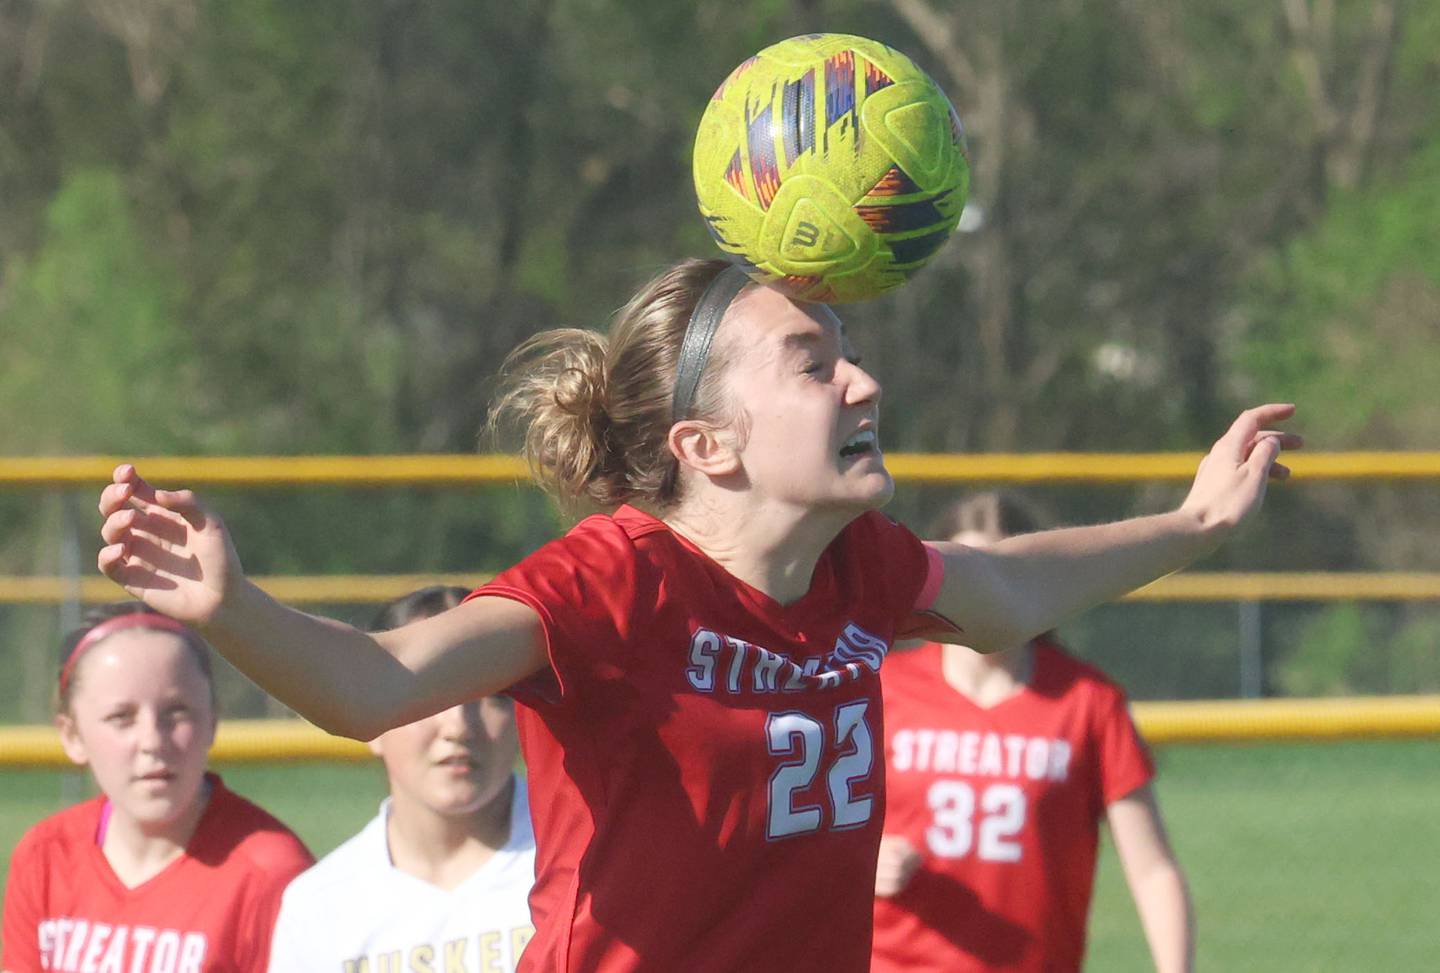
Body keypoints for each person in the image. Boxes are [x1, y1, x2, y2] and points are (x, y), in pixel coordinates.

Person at [94, 257, 1297, 972]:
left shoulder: (856, 570)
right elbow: (376, 685)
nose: (863, 382)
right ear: (706, 444)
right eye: (816, 363)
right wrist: (232, 608)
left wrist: (1197, 526)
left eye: (851, 356)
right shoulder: (616, 581)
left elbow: (1008, 589)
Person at [871, 493, 1195, 973]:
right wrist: (861, 863)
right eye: (970, 573)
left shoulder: (1086, 701)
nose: (984, 593)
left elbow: (1152, 871)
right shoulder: (880, 687)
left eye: (1002, 573)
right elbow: (797, 842)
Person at [1, 603, 313, 973]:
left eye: (176, 712)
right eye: (121, 717)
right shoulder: (46, 856)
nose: (152, 741)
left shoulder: (270, 873)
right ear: (72, 735)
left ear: (212, 720)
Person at [267, 586, 535, 973]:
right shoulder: (320, 907)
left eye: (492, 694)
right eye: (430, 695)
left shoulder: (585, 860)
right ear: (369, 718)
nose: (459, 726)